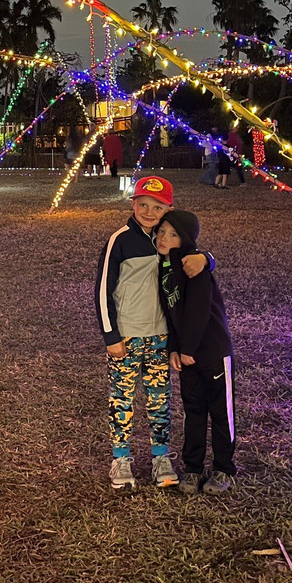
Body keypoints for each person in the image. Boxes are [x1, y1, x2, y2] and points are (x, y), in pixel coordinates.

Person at [94, 175, 211, 490]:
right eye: (142, 204)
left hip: (161, 339)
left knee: (160, 401)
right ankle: (120, 459)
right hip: (126, 339)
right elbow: (103, 290)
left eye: (157, 206)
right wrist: (111, 337)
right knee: (122, 400)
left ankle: (161, 457)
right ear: (133, 203)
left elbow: (198, 258)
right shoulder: (120, 239)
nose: (148, 211)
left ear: (169, 208)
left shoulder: (168, 240)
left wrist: (208, 260)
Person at [155, 209, 237, 495]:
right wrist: (176, 349)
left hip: (212, 350)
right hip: (187, 354)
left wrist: (189, 348)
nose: (164, 237)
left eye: (173, 234)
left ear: (186, 239)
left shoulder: (194, 266)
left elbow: (198, 312)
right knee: (193, 410)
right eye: (162, 231)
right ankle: (192, 468)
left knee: (220, 412)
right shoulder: (163, 265)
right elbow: (172, 313)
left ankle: (224, 469)